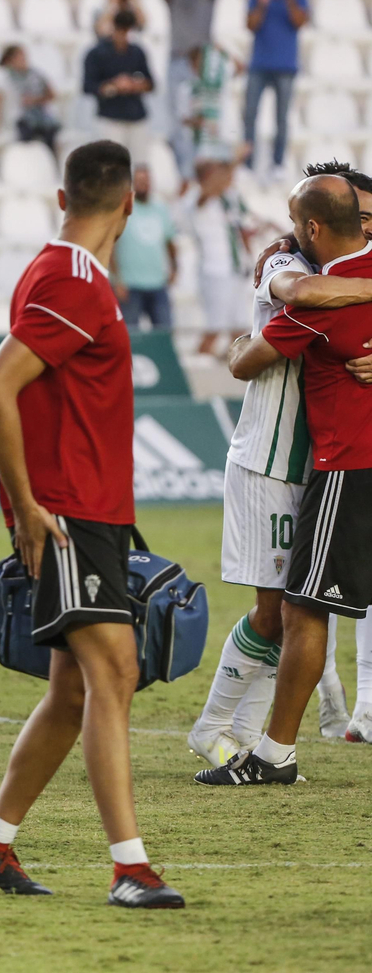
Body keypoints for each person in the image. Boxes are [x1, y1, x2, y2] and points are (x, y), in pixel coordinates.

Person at [0, 140, 184, 909]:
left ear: (64, 196)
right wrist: (25, 503)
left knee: (74, 691)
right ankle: (130, 866)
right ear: (129, 203)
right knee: (114, 671)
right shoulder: (74, 280)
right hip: (66, 513)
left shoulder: (65, 273)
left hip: (90, 511)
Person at [187, 162, 372, 766]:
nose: (368, 229)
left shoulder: (354, 267)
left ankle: (245, 736)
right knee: (279, 611)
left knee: (296, 610)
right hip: (273, 451)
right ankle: (217, 729)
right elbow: (302, 297)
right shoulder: (285, 259)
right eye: (363, 219)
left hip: (323, 459)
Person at [157, 0, 219, 182]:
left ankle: (199, 168)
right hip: (177, 61)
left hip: (200, 64)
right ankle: (184, 171)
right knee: (178, 120)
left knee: (201, 118)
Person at [243, 0, 311, 180]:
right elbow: (251, 25)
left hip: (285, 65)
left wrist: (289, 0)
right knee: (250, 113)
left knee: (281, 118)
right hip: (260, 63)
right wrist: (263, 4)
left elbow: (299, 22)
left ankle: (278, 163)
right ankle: (248, 163)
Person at [184, 155, 254, 356]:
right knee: (214, 329)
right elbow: (210, 189)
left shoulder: (229, 197)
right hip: (214, 271)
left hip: (235, 269)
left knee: (239, 329)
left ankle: (230, 373)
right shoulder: (196, 198)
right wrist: (235, 159)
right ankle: (197, 371)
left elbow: (239, 228)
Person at [82, 9, 155, 165]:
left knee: (140, 164)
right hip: (110, 116)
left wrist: (134, 85)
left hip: (136, 115)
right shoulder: (96, 54)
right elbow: (88, 87)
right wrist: (114, 86)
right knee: (112, 165)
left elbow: (150, 84)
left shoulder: (136, 52)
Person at [111, 165, 178, 331]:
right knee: (129, 336)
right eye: (139, 181)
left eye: (146, 181)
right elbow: (110, 246)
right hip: (130, 284)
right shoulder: (122, 210)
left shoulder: (161, 208)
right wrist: (116, 279)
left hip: (157, 283)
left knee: (164, 333)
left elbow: (169, 241)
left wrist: (174, 267)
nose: (143, 185)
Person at [0, 45, 59, 155]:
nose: (24, 59)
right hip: (18, 119)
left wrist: (35, 100)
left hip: (41, 117)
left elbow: (52, 94)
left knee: (50, 132)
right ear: (10, 59)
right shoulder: (3, 79)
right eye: (20, 57)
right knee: (25, 135)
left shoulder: (37, 74)